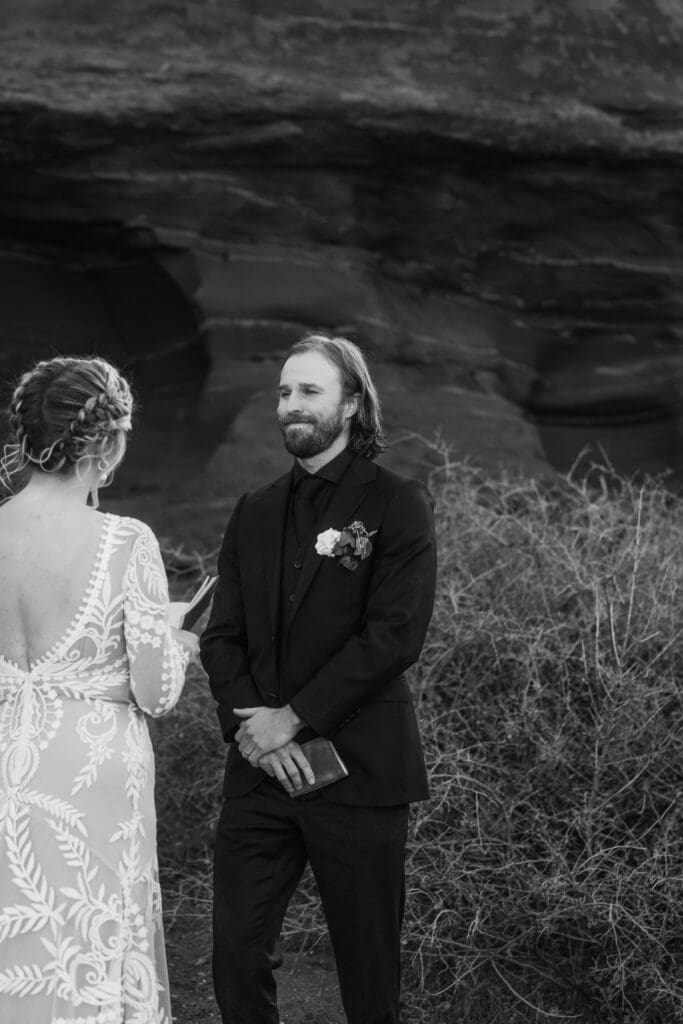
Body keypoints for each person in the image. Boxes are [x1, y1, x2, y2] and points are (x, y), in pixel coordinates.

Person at [201, 333, 437, 1024]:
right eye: (282, 391)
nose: (291, 405)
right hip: (260, 776)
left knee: (368, 975)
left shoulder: (396, 504)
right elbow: (223, 638)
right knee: (235, 953)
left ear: (353, 402)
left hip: (359, 771)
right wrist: (260, 734)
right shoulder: (254, 509)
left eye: (308, 390)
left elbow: (394, 638)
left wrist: (293, 717)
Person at [0, 356, 198, 1024]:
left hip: (6, 764)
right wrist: (182, 646)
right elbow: (154, 689)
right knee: (87, 952)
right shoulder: (124, 542)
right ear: (107, 442)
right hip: (88, 782)